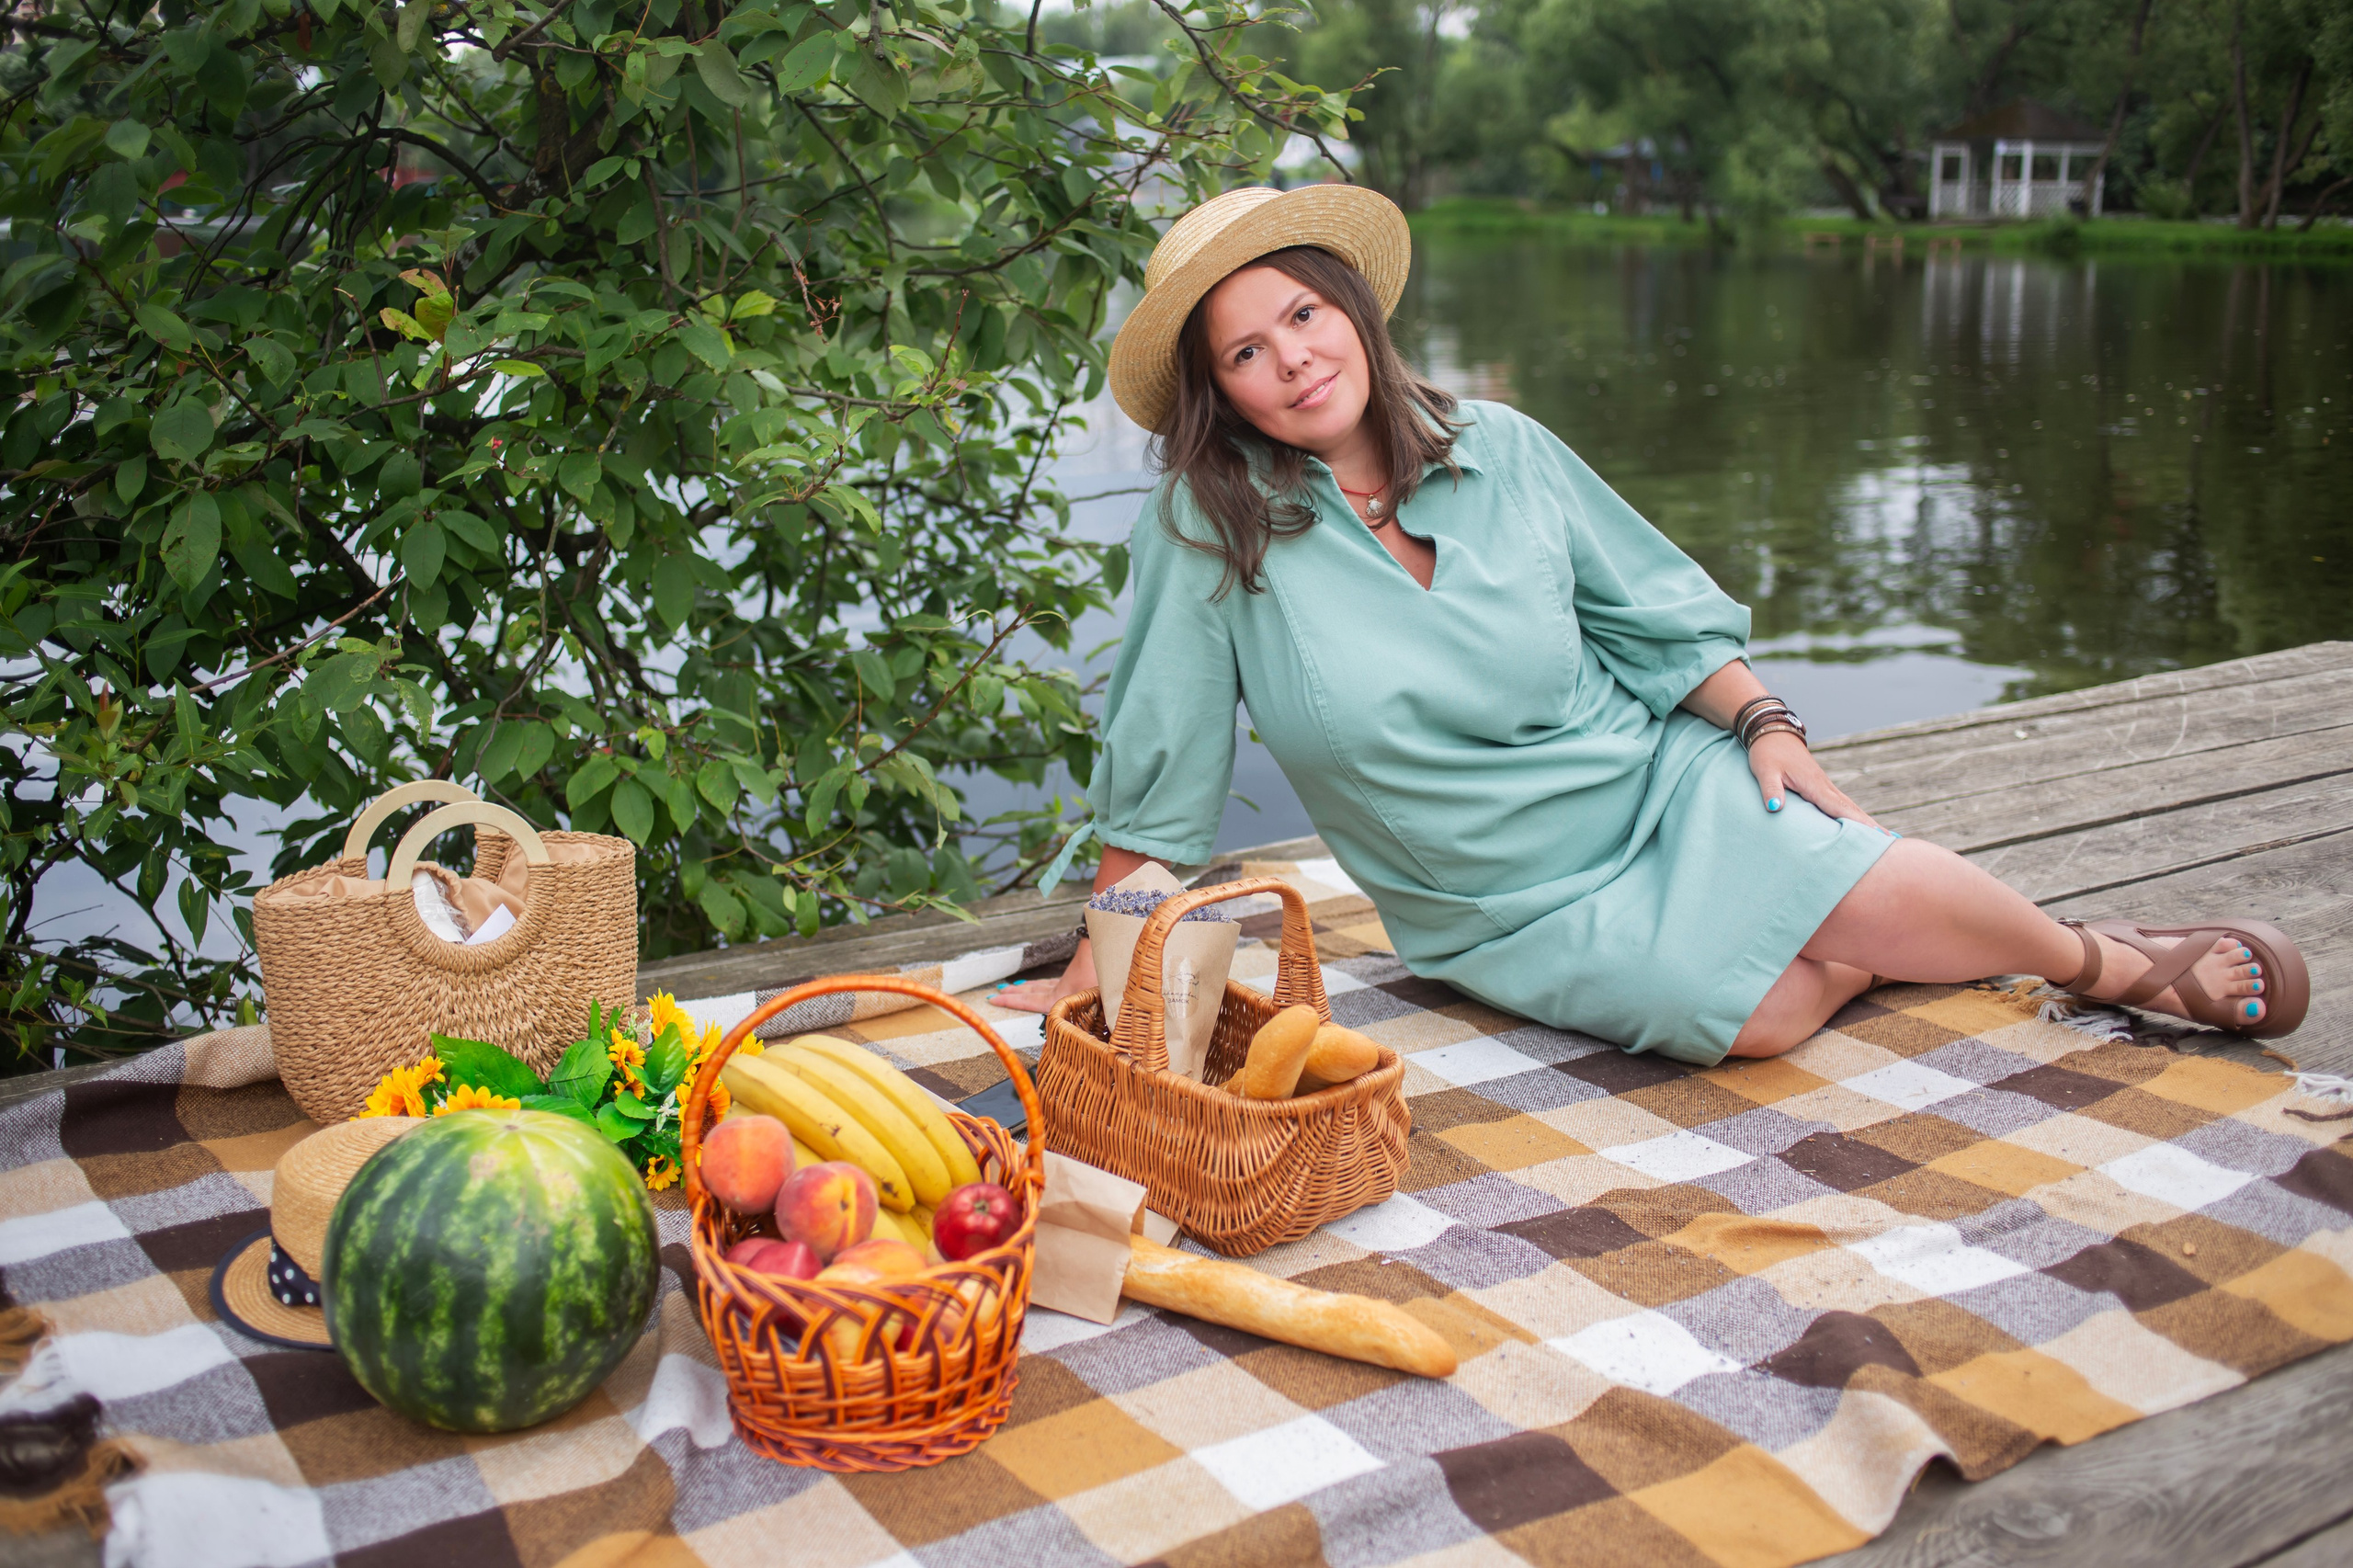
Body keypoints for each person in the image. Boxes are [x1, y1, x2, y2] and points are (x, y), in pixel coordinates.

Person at [997, 186, 2308, 1062]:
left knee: (1840, 849)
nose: (1290, 357)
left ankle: (2106, 962)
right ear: (1218, 394)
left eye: (1303, 312)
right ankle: (1856, 934)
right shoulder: (1207, 531)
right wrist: (1105, 963)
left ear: (1352, 307)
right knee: (1755, 1014)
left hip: (1647, 780)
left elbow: (1653, 609)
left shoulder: (1498, 445)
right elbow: (1159, 791)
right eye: (1244, 351)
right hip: (1497, 899)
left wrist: (1765, 719)